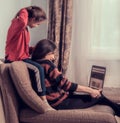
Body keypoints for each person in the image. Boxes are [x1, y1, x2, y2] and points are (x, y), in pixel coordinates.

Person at [32, 39, 120, 116]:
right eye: (52, 54)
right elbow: (66, 85)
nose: (53, 57)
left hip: (59, 98)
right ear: (45, 52)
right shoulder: (48, 64)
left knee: (96, 95)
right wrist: (90, 90)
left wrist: (89, 90)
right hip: (59, 102)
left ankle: (118, 109)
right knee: (98, 96)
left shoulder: (35, 63)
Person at [4, 6, 53, 109]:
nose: (37, 26)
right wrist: (26, 10)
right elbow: (22, 20)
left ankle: (49, 93)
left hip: (22, 57)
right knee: (38, 69)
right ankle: (43, 100)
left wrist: (38, 49)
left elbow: (23, 48)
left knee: (43, 65)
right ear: (32, 18)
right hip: (15, 59)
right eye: (37, 23)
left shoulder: (25, 30)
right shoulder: (17, 25)